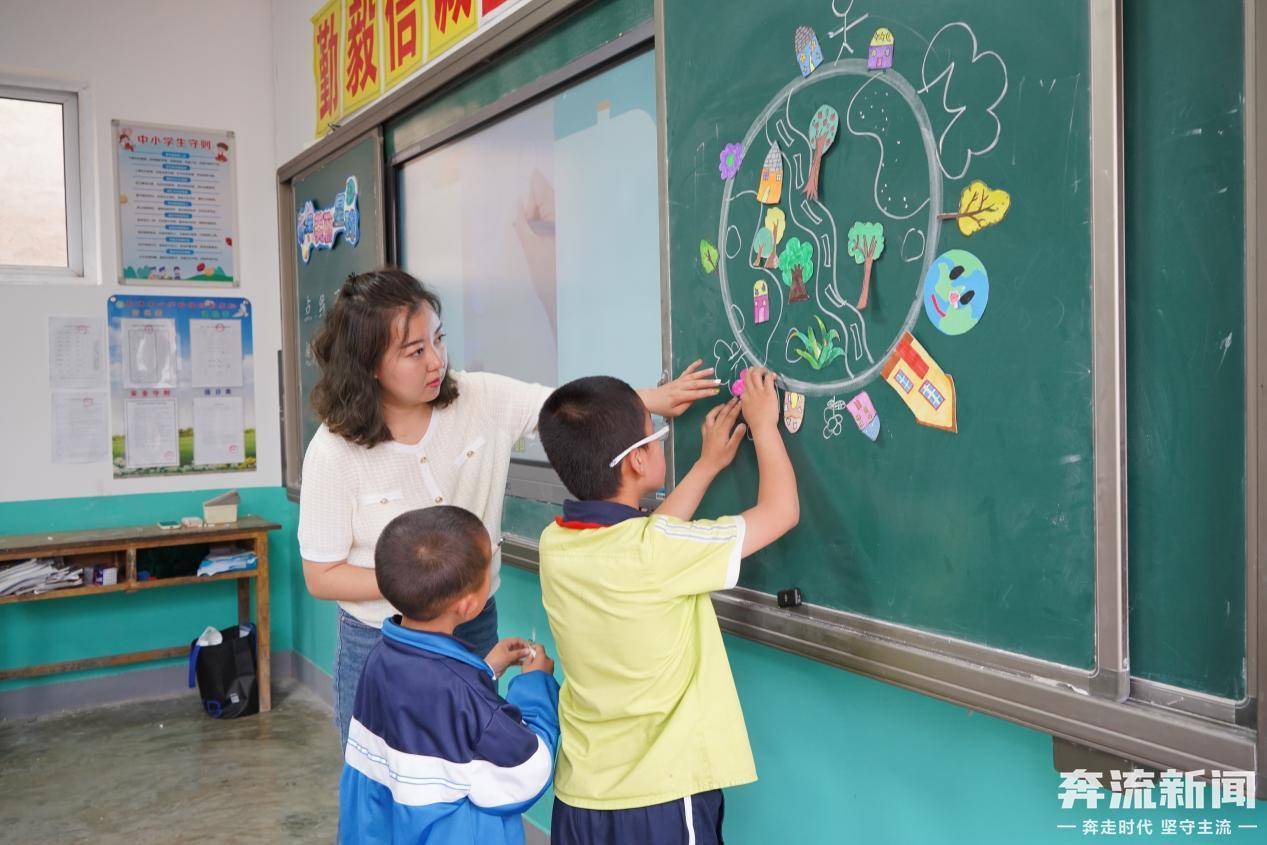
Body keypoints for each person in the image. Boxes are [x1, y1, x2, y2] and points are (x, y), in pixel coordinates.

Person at [296, 267, 720, 748]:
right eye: (415, 352)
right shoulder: (334, 452)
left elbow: (565, 410)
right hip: (382, 640)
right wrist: (428, 581)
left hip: (472, 624)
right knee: (381, 778)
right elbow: (322, 574)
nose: (437, 361)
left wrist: (654, 400)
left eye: (439, 339)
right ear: (370, 364)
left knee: (473, 757)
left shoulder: (479, 397)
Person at [535, 367, 799, 844]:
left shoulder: (555, 544)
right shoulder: (657, 552)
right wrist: (763, 427)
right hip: (660, 797)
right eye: (654, 437)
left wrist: (707, 466)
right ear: (637, 461)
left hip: (582, 794)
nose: (660, 444)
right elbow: (780, 512)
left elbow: (649, 536)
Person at [339, 505, 558, 844]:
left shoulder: (380, 657)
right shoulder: (463, 692)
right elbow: (529, 770)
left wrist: (484, 669)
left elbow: (432, 710)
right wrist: (536, 685)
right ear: (469, 605)